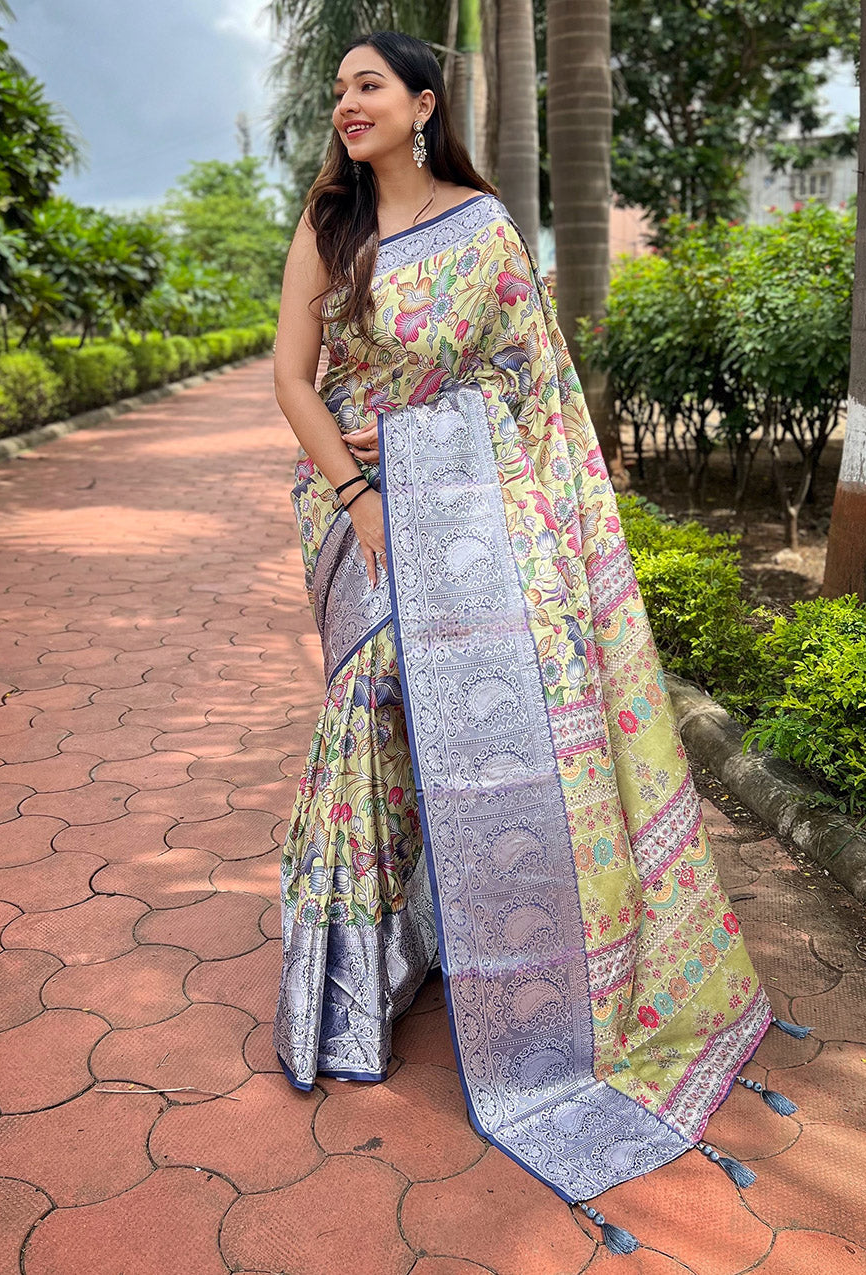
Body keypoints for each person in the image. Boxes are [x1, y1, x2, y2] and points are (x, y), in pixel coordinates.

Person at [272, 29, 808, 1255]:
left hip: (484, 508)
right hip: (357, 503)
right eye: (337, 89)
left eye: (366, 86)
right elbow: (291, 381)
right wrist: (363, 504)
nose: (346, 105)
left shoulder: (483, 223)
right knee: (376, 710)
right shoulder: (330, 224)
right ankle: (360, 982)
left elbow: (538, 387)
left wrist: (534, 526)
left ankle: (521, 958)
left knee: (508, 724)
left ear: (421, 102)